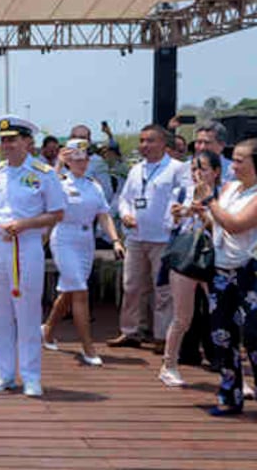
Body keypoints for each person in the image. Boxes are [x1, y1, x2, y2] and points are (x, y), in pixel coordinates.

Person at [0, 115, 65, 397]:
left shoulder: (44, 173)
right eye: (3, 140)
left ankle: (31, 376)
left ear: (27, 142)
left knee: (27, 313)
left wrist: (25, 224)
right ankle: (3, 373)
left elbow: (57, 213)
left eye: (12, 140)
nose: (6, 145)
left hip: (26, 245)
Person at [108, 125, 192, 352]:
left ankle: (162, 336)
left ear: (164, 144)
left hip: (163, 238)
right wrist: (125, 214)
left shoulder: (177, 168)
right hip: (136, 237)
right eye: (142, 140)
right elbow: (125, 198)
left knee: (163, 289)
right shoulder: (137, 169)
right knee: (132, 285)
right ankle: (130, 331)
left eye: (150, 141)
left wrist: (178, 215)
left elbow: (187, 196)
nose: (144, 145)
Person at [42, 139, 125, 366]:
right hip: (64, 237)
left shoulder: (93, 185)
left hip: (86, 240)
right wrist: (58, 165)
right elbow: (47, 191)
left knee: (69, 291)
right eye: (76, 159)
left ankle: (48, 329)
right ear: (68, 161)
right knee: (79, 289)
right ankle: (88, 347)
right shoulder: (59, 181)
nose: (81, 163)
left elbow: (104, 214)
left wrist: (116, 240)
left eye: (84, 158)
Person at [197, 138, 257, 414]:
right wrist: (202, 212)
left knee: (254, 335)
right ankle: (229, 395)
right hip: (222, 268)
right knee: (222, 334)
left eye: (240, 160)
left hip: (249, 269)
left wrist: (210, 199)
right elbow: (218, 223)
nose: (233, 166)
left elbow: (235, 225)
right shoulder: (231, 188)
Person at [159, 150, 223, 387]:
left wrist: (206, 214)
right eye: (194, 169)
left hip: (215, 258)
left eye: (203, 168)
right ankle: (169, 365)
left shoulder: (224, 194)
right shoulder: (182, 192)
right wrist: (179, 215)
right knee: (182, 317)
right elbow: (168, 223)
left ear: (216, 172)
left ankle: (231, 370)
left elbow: (224, 227)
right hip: (187, 258)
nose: (197, 174)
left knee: (222, 315)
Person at [71, 124, 114, 202]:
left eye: (82, 138)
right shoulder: (61, 161)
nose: (77, 141)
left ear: (89, 142)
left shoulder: (97, 162)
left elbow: (107, 193)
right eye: (74, 137)